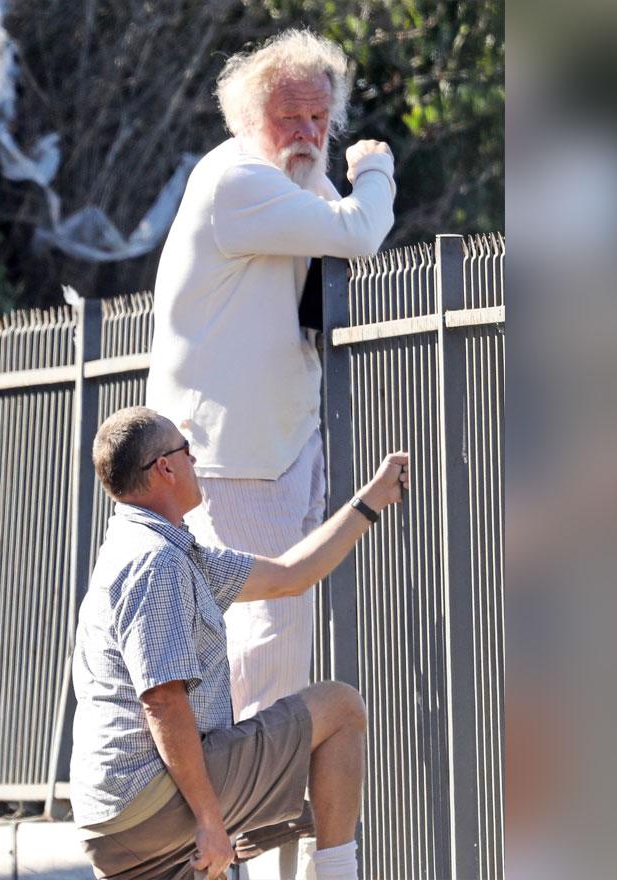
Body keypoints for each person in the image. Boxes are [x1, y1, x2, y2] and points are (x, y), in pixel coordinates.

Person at [145, 29, 396, 730]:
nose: (309, 132)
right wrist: (376, 168)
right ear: (248, 118)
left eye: (320, 117)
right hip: (233, 455)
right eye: (291, 117)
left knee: (277, 629)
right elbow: (358, 232)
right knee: (265, 632)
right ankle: (252, 808)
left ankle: (258, 806)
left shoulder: (293, 180)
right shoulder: (238, 180)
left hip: (279, 443)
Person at [69, 407, 408, 880]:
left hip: (114, 817)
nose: (195, 461)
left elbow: (292, 576)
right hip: (145, 801)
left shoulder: (163, 551)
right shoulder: (155, 563)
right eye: (187, 452)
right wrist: (210, 822)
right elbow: (163, 701)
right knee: (340, 707)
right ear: (165, 468)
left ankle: (250, 824)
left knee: (306, 789)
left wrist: (370, 502)